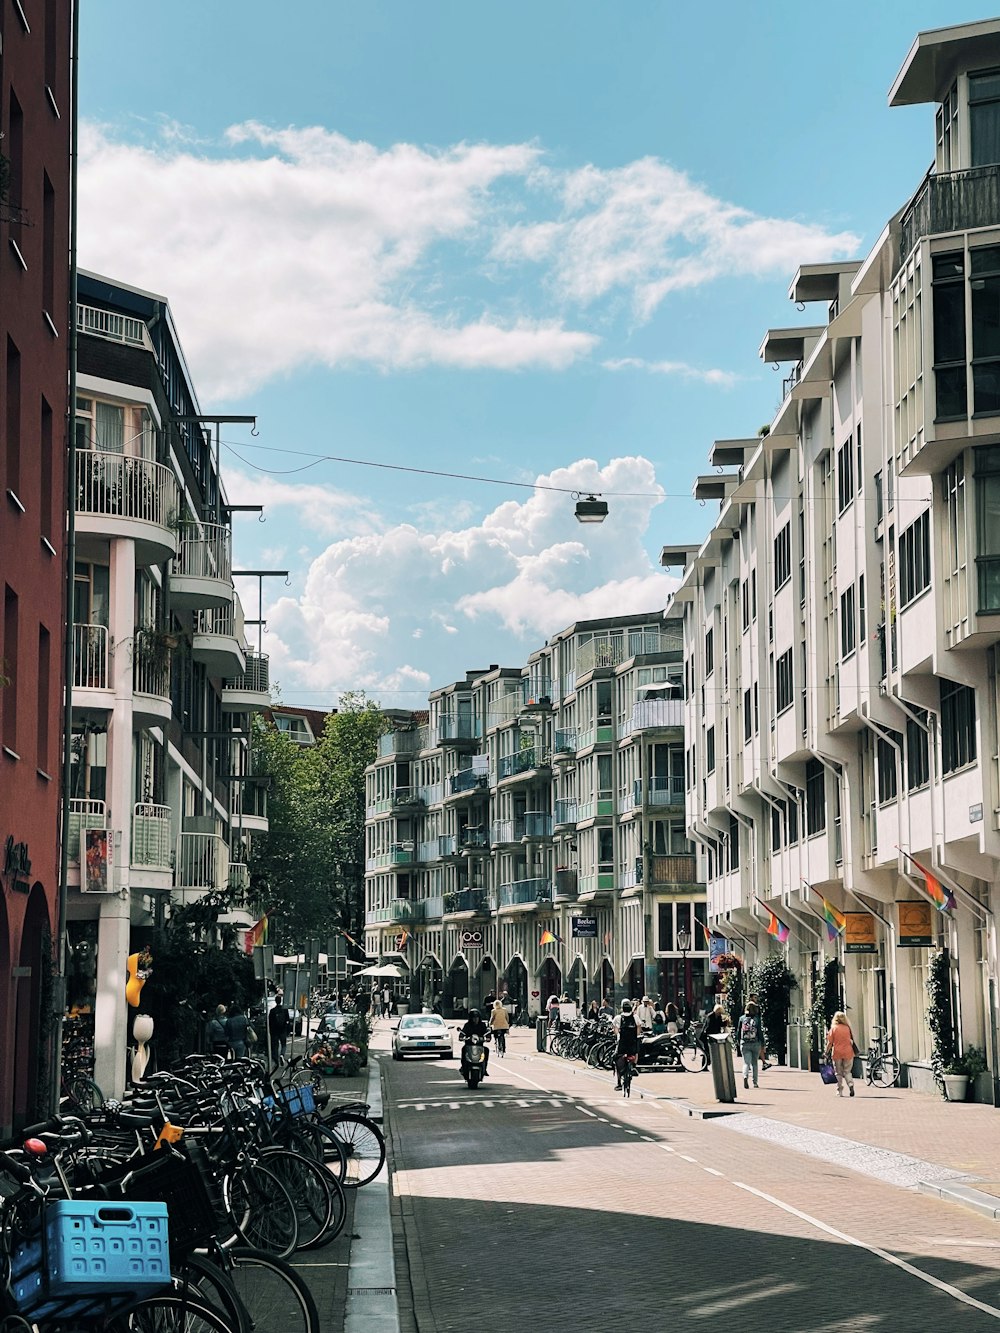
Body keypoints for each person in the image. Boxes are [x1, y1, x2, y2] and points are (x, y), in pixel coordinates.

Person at [825, 1010, 858, 1097]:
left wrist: (826, 1052)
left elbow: (830, 1043)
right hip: (848, 1052)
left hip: (837, 1052)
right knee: (847, 1071)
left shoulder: (834, 1028)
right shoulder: (847, 1028)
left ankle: (839, 1091)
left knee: (838, 1072)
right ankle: (850, 1084)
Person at [735, 1000, 765, 1089]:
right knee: (754, 1063)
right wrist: (762, 1042)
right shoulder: (757, 1019)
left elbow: (738, 1031)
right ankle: (755, 1082)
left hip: (744, 1043)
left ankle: (745, 1076)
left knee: (746, 1063)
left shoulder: (742, 1018)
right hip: (755, 1043)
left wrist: (738, 1041)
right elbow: (759, 1032)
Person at [613, 999, 640, 1089]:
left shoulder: (618, 1018)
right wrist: (636, 1035)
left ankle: (619, 1082)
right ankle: (634, 1066)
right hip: (632, 1042)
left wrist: (618, 1035)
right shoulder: (635, 1017)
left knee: (616, 1058)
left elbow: (615, 1029)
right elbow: (639, 1026)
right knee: (636, 1052)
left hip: (622, 1043)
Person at [459, 1008, 491, 1077]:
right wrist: (462, 1037)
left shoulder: (482, 1025)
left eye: (477, 1017)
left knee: (486, 1050)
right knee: (463, 1050)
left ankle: (484, 1068)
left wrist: (487, 1037)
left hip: (480, 1046)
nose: (475, 1019)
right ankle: (463, 1067)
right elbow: (462, 1033)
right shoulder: (467, 1025)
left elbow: (487, 1033)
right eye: (473, 1017)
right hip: (469, 1045)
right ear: (471, 1018)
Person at [268, 991, 291, 1067]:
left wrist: (270, 1031)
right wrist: (287, 1030)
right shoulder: (284, 1010)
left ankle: (276, 1060)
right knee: (284, 1044)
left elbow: (269, 1022)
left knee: (275, 1046)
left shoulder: (272, 1011)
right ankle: (282, 1054)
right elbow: (288, 1020)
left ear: (275, 1001)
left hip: (274, 1031)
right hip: (283, 1030)